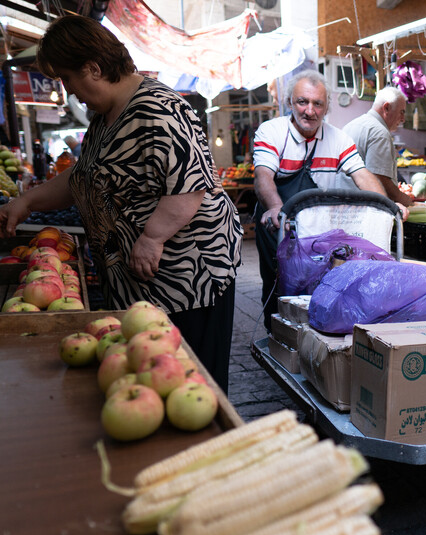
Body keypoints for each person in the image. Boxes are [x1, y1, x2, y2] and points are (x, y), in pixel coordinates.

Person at [0, 15, 242, 393]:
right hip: (145, 285)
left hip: (186, 280)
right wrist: (27, 202)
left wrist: (152, 238)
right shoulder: (105, 117)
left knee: (191, 383)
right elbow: (83, 175)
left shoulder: (158, 109)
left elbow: (190, 186)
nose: (69, 92)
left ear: (93, 68)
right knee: (154, 381)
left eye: (67, 79)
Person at [252, 70, 392, 331]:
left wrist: (386, 207)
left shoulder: (338, 138)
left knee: (319, 281)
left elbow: (363, 175)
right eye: (302, 102)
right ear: (290, 103)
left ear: (327, 107)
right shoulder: (272, 131)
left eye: (317, 104)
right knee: (278, 282)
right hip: (277, 224)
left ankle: (313, 337)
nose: (309, 110)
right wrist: (274, 207)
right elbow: (263, 177)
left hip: (316, 227)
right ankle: (278, 336)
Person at [340, 86, 413, 207]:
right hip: (363, 208)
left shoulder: (352, 125)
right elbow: (380, 180)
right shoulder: (379, 132)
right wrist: (406, 202)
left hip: (343, 205)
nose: (403, 119)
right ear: (386, 108)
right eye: (402, 112)